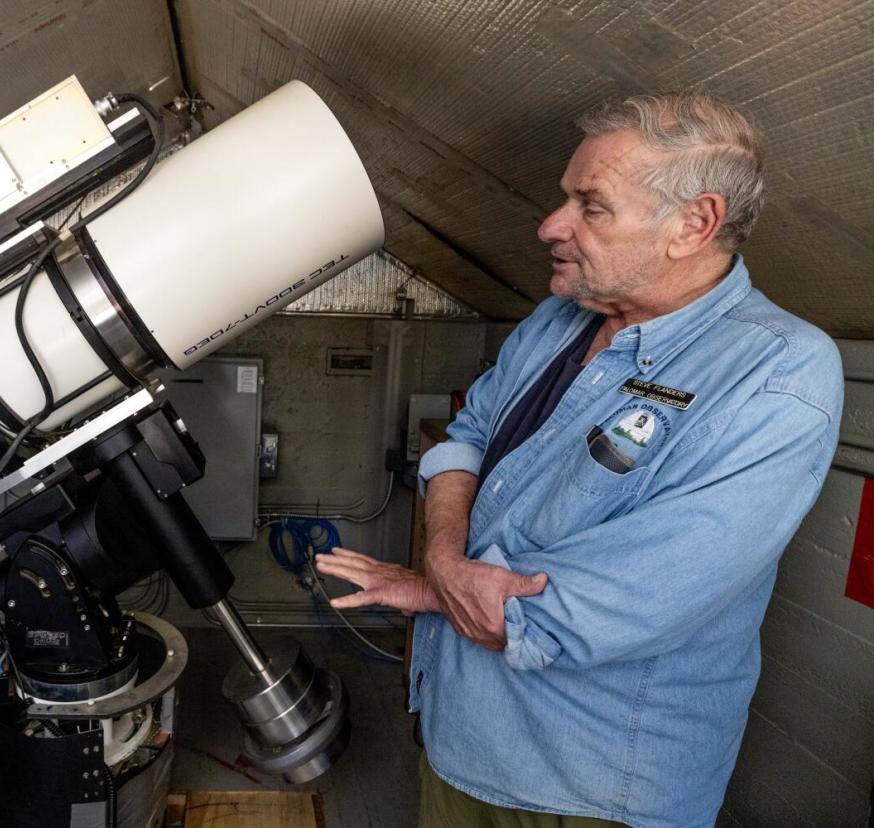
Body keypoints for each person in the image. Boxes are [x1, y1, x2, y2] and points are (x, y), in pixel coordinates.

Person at [315, 91, 843, 828]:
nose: (549, 226)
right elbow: (465, 434)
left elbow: (621, 600)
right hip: (460, 734)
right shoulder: (560, 316)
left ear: (694, 224)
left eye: (591, 206)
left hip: (588, 785)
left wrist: (438, 590)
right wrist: (442, 555)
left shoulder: (779, 375)